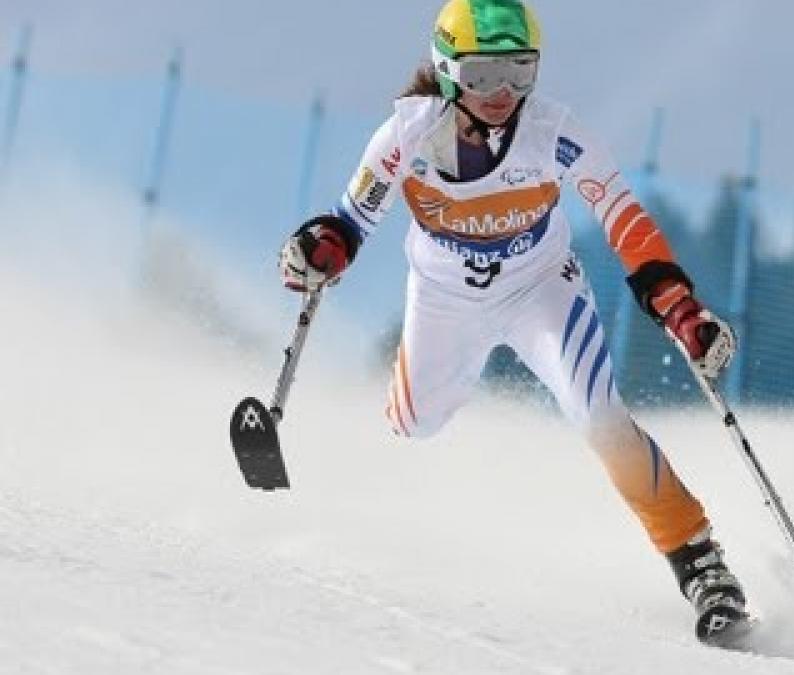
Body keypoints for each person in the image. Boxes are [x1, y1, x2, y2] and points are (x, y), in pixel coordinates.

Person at [278, 0, 750, 646]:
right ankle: (464, 371)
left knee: (600, 417)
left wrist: (678, 304)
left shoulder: (555, 131)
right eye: (482, 77)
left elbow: (621, 214)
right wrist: (319, 249)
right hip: (444, 297)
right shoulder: (405, 136)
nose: (502, 94)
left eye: (519, 73)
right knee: (414, 423)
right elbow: (348, 221)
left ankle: (701, 564)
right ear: (448, 73)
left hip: (539, 290)